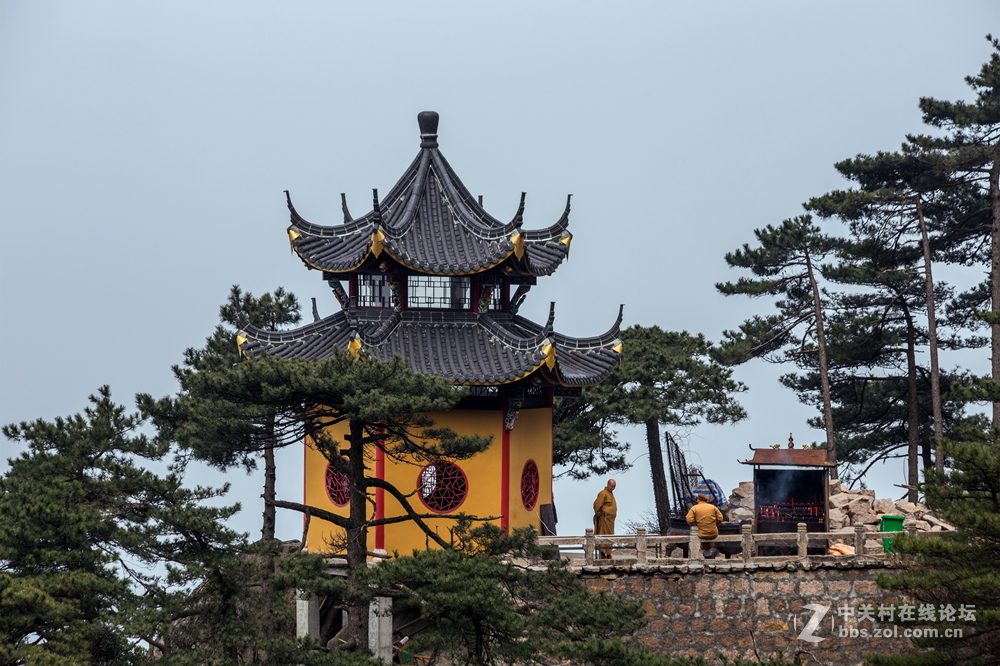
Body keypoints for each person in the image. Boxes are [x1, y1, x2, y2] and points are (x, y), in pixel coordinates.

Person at [686, 493, 724, 558]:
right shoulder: (713, 507)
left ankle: (707, 555)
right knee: (708, 539)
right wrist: (714, 525)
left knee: (702, 537)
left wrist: (696, 525)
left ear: (698, 500)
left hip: (701, 533)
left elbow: (689, 520)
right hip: (713, 533)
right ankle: (708, 555)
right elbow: (720, 518)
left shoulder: (694, 508)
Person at [592, 479, 617, 559]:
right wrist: (598, 513)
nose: (613, 488)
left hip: (610, 521)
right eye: (612, 486)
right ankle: (603, 554)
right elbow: (596, 505)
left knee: (610, 537)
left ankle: (609, 554)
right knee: (603, 536)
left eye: (614, 487)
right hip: (604, 519)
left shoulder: (610, 494)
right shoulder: (603, 493)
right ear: (608, 485)